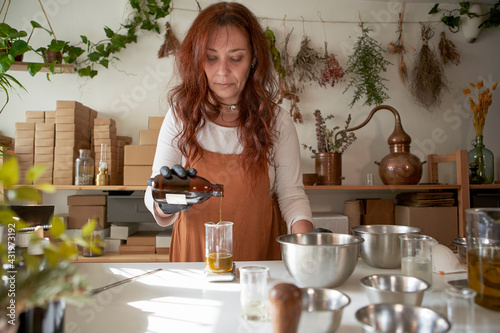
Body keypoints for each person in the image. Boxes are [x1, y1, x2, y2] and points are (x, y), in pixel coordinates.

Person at [144, 2, 313, 262]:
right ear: (198, 59)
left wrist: (308, 246)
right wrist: (164, 201)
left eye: (235, 58)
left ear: (253, 59)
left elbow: (291, 196)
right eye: (211, 57)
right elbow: (154, 193)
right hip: (193, 265)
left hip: (257, 264)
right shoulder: (181, 117)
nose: (222, 71)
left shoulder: (276, 121)